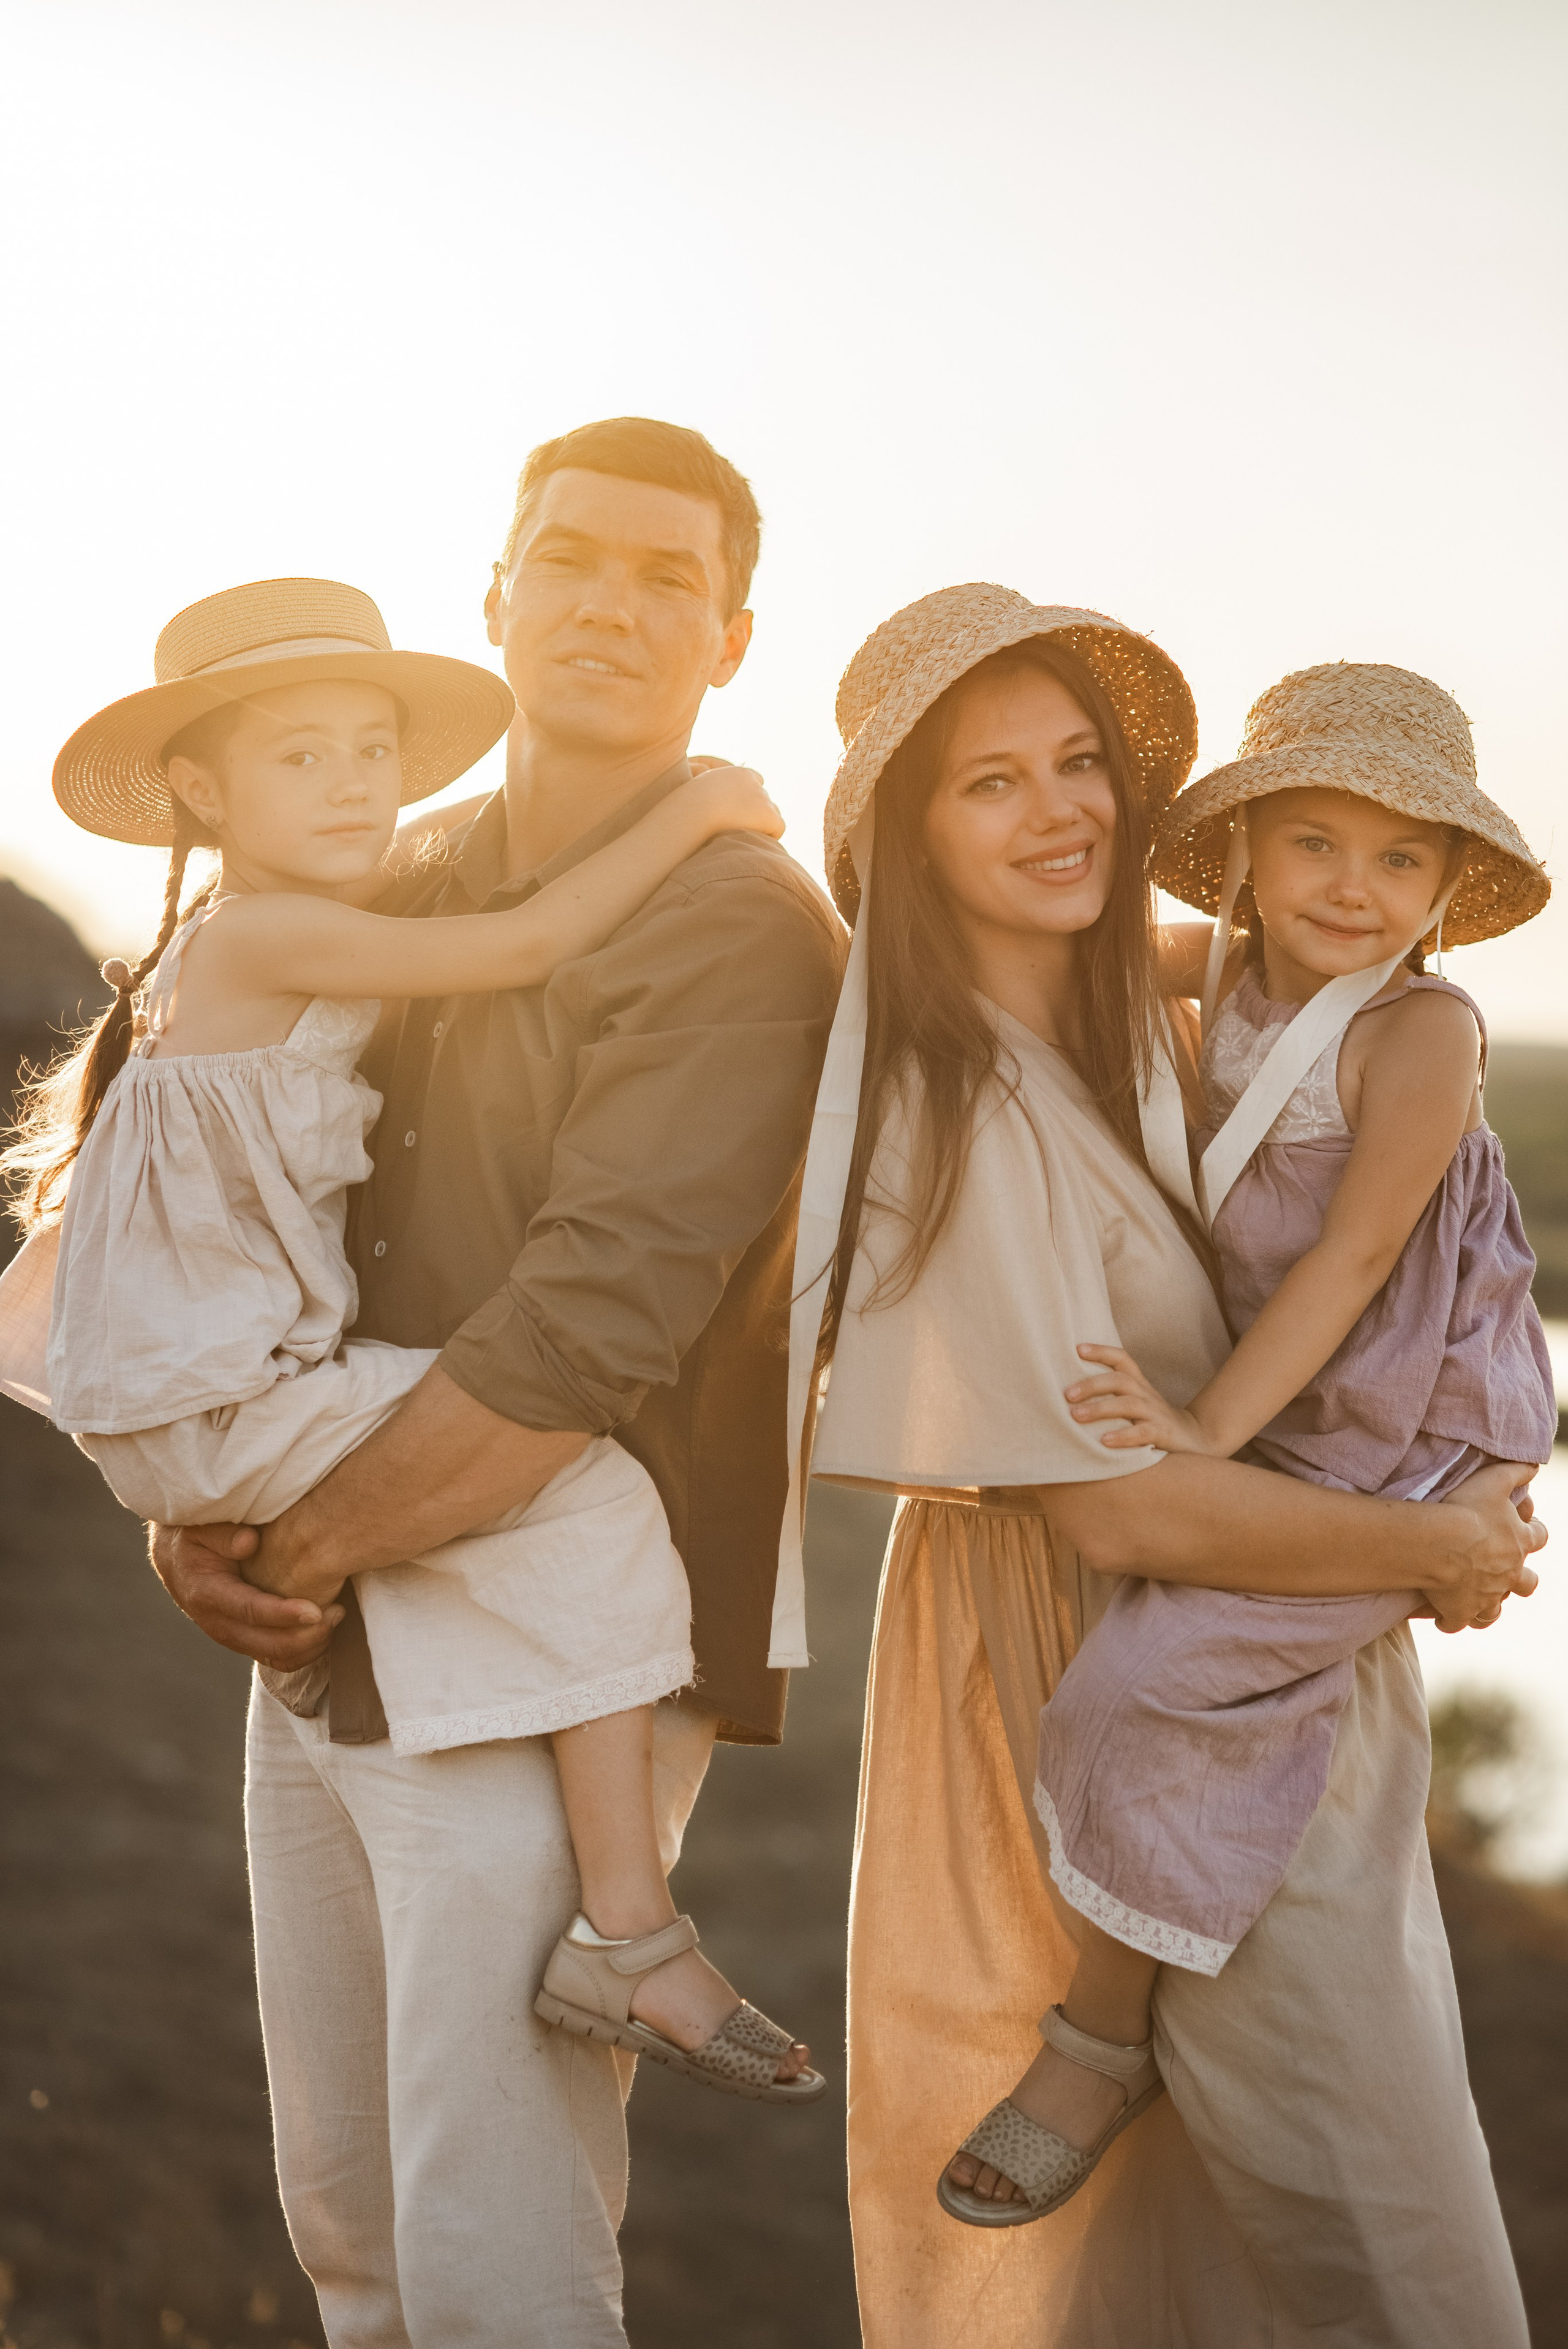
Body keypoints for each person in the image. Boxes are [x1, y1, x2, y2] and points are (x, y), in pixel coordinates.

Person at [107, 421, 842, 2347]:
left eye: (668, 578)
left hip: (544, 1652)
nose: (609, 604)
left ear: (731, 640)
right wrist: (201, 1529)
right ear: (496, 596)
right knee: (349, 2223)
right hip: (329, 1614)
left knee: (495, 2244)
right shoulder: (393, 879)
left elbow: (580, 1334)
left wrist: (290, 1548)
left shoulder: (740, 918)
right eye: (569, 558)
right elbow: (247, 1233)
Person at [782, 585, 1541, 2343]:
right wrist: (1428, 1551)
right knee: (1369, 2229)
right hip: (1189, 1612)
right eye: (989, 783)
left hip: (1298, 1563)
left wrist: (1437, 1521)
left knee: (1305, 2221)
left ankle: (1104, 2041)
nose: (1060, 812)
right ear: (910, 834)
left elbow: (1353, 1220)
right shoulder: (967, 1096)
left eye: (1079, 765)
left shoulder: (1158, 1007)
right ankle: (1097, 2038)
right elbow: (1123, 1503)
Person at [1023, 663, 1553, 2116]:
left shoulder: (1417, 1032)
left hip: (1417, 1403)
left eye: (1398, 859)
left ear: (1442, 887)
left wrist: (1204, 1431)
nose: (1350, 887)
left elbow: (1354, 1257)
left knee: (1148, 1678)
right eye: (1312, 841)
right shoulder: (1225, 971)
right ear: (1246, 848)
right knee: (1215, 1660)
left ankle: (1098, 2039)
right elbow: (1051, 948)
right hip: (1317, 1394)